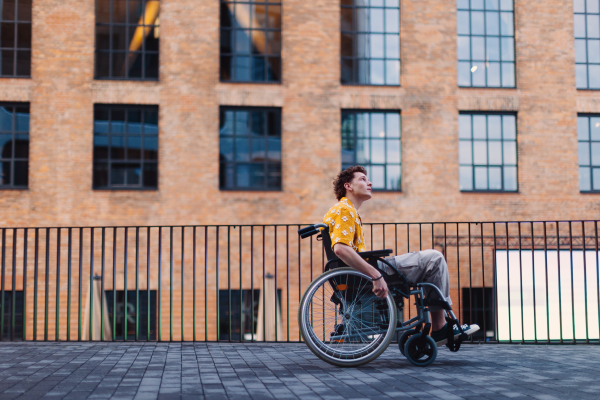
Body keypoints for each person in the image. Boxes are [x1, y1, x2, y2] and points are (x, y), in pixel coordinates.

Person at [323, 165, 479, 345]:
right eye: (363, 179)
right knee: (434, 259)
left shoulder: (347, 210)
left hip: (361, 272)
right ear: (348, 186)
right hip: (369, 272)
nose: (370, 182)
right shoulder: (345, 209)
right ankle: (439, 327)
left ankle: (439, 325)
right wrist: (376, 275)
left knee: (432, 260)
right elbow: (341, 249)